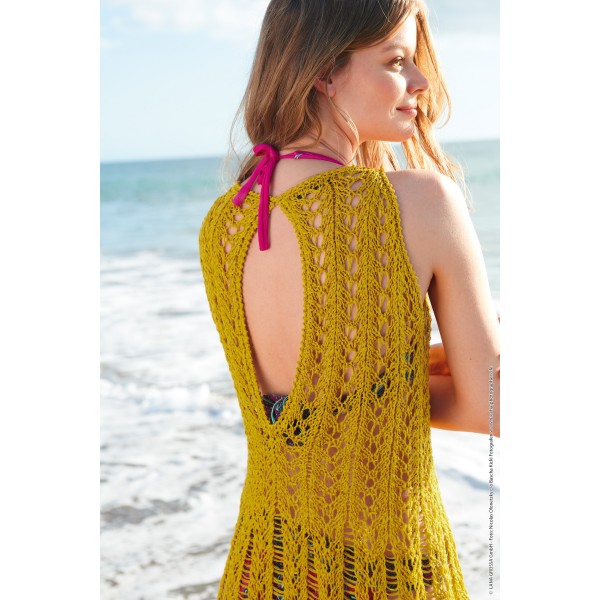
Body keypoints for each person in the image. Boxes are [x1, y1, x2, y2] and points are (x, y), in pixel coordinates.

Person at [198, 0, 500, 598]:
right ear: (324, 71)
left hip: (266, 566)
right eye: (396, 61)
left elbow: (299, 410)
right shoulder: (419, 202)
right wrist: (426, 375)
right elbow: (491, 406)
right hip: (388, 574)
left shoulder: (223, 225)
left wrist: (396, 381)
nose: (421, 82)